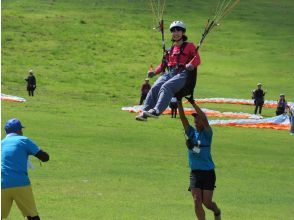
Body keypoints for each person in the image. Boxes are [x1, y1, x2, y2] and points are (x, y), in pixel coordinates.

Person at [135, 20, 201, 121]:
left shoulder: (190, 46)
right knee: (155, 87)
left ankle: (157, 111)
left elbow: (197, 58)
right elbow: (163, 65)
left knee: (166, 86)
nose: (176, 33)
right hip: (170, 73)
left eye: (178, 30)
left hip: (183, 74)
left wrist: (191, 64)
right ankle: (145, 112)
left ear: (183, 32)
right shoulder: (170, 50)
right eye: (173, 31)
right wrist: (154, 72)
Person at [177, 98, 221, 220]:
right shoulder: (191, 132)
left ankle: (217, 212)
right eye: (195, 118)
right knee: (197, 201)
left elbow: (205, 120)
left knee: (207, 203)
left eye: (197, 118)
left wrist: (193, 103)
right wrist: (179, 102)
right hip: (195, 173)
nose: (195, 120)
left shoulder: (208, 133)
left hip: (208, 173)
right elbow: (183, 118)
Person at [1, 119, 49, 220]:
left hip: (2, 184)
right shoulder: (24, 140)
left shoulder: (1, 143)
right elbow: (45, 158)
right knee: (32, 216)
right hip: (20, 184)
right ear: (19, 130)